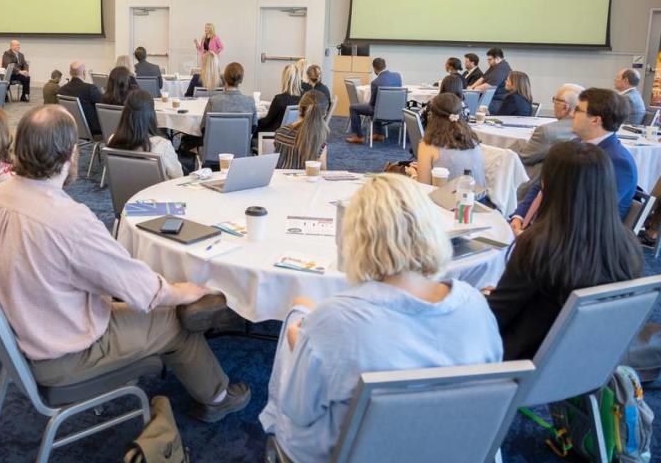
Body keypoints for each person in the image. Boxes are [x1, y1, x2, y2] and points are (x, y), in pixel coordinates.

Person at [0, 105, 250, 422]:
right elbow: (142, 290)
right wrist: (182, 291)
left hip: (30, 327)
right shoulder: (68, 220)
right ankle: (218, 397)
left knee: (145, 303)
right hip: (66, 351)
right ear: (69, 156)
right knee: (176, 318)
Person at [260, 173, 502, 463]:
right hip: (456, 451)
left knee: (298, 312)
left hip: (351, 453)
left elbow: (298, 409)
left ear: (356, 239)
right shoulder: (475, 304)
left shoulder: (335, 321)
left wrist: (303, 346)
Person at [487, 141, 644, 360]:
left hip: (523, 362)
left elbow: (495, 317)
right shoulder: (629, 245)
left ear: (549, 184)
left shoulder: (539, 245)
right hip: (589, 363)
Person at [511, 87, 638, 233]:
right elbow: (542, 185)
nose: (572, 113)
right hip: (543, 226)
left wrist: (535, 236)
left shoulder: (618, 161)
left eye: (578, 110)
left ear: (595, 120)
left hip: (580, 242)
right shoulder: (574, 144)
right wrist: (519, 216)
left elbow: (589, 213)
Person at [108, 89, 184, 179]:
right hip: (157, 192)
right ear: (151, 114)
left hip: (125, 191)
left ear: (125, 113)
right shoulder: (162, 145)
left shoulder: (112, 139)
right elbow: (177, 177)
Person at [516, 83, 583, 183]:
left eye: (555, 100)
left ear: (565, 107)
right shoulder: (587, 130)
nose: (553, 103)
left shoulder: (546, 131)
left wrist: (517, 145)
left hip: (534, 186)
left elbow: (523, 159)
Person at [414, 93, 485, 186]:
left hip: (446, 199)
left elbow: (423, 186)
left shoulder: (428, 145)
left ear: (431, 116)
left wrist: (413, 175)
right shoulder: (472, 139)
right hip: (478, 198)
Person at [346, 57, 402, 144]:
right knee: (379, 105)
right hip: (396, 111)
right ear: (385, 66)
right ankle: (378, 134)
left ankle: (358, 136)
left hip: (380, 111)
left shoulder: (375, 82)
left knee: (354, 107)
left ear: (374, 68)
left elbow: (372, 103)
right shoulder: (397, 76)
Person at [274, 90, 329, 170]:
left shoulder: (280, 133)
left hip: (280, 181)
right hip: (305, 182)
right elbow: (322, 171)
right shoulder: (318, 141)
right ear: (324, 114)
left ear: (299, 107)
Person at [200, 62, 257, 133]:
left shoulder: (213, 101)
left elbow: (203, 128)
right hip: (241, 143)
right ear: (241, 80)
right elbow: (253, 129)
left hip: (216, 143)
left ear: (225, 78)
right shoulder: (250, 102)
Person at [58, 60, 104, 135]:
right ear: (84, 73)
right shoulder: (90, 88)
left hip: (70, 127)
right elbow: (103, 105)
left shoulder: (61, 90)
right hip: (92, 128)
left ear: (70, 73)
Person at [257, 64, 302, 132]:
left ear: (285, 79)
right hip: (293, 135)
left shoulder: (279, 99)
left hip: (274, 135)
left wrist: (255, 123)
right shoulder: (303, 99)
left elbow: (266, 121)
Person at [469, 47, 511, 113]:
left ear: (497, 58)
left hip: (496, 101)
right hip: (489, 98)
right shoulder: (494, 66)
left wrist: (473, 90)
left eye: (490, 59)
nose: (488, 61)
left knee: (474, 108)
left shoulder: (501, 69)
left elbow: (488, 86)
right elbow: (482, 78)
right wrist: (471, 88)